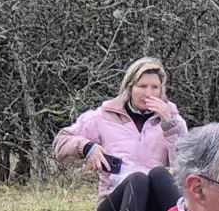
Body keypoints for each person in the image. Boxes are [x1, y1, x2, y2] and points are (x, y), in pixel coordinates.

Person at [54, 56, 187, 199]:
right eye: (142, 86)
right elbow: (61, 142)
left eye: (155, 87)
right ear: (130, 87)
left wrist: (168, 125)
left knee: (159, 174)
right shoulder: (104, 116)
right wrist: (87, 148)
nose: (148, 93)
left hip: (155, 200)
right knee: (137, 180)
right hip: (114, 199)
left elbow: (184, 168)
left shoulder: (174, 121)